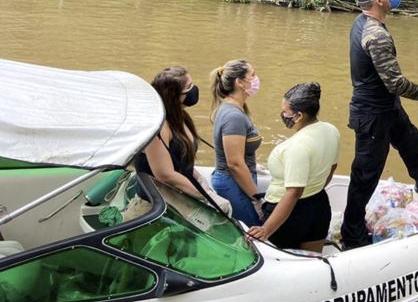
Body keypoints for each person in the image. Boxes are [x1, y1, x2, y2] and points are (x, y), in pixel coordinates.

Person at [341, 0, 418, 250]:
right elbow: (396, 83)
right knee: (366, 174)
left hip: (386, 106)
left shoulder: (363, 22)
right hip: (372, 114)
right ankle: (352, 234)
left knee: (409, 139)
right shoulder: (375, 35)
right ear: (378, 0)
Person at [247, 83, 340, 252]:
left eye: (285, 111)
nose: (282, 114)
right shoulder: (331, 130)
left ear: (298, 116)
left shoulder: (296, 146)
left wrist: (265, 230)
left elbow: (294, 192)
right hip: (319, 204)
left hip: (290, 215)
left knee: (282, 263)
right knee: (313, 260)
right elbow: (332, 168)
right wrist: (314, 188)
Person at [134, 66, 231, 213]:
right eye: (189, 87)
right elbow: (165, 174)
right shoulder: (158, 127)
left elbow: (182, 161)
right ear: (174, 96)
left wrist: (200, 181)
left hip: (180, 197)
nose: (194, 90)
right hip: (156, 205)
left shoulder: (180, 116)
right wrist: (205, 196)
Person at [209, 59, 264, 227]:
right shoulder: (234, 116)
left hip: (237, 180)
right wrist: (257, 198)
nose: (256, 79)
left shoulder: (234, 109)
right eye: (252, 75)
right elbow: (234, 164)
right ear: (239, 82)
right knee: (252, 230)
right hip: (233, 182)